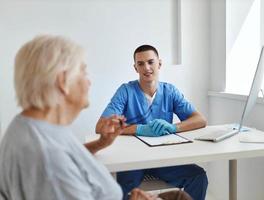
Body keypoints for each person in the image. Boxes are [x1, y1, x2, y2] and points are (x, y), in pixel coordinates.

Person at [0, 35, 191, 200]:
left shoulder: (37, 128)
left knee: (179, 196)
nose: (89, 81)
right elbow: (56, 162)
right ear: (63, 82)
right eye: (83, 71)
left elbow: (68, 155)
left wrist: (100, 143)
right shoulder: (48, 160)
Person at [96, 45, 208, 200]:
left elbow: (200, 120)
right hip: (132, 161)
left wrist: (173, 127)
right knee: (117, 189)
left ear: (159, 64)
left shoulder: (170, 91)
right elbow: (101, 126)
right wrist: (139, 129)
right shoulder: (126, 91)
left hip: (162, 160)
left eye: (150, 62)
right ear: (135, 68)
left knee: (198, 177)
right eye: (140, 64)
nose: (146, 68)